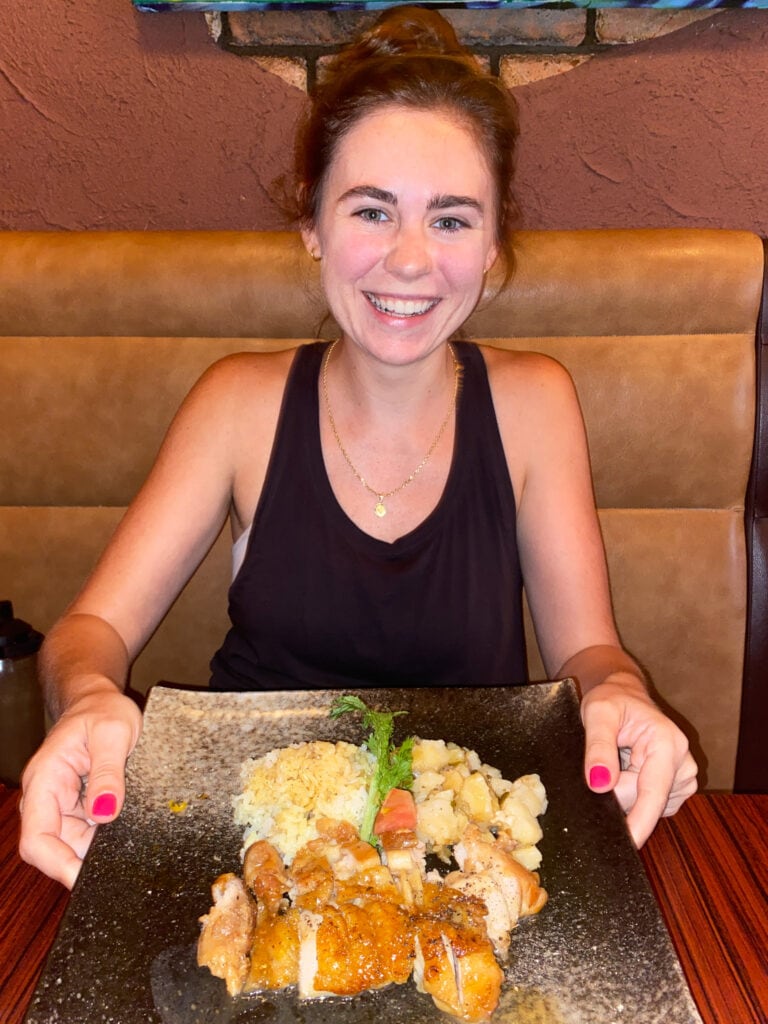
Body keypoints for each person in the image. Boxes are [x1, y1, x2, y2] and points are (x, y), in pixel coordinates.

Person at [19, 6, 697, 890]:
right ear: (313, 227)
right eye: (372, 210)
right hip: (253, 843)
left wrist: (622, 695)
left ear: (493, 245)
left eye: (452, 220)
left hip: (460, 857)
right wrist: (88, 697)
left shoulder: (536, 401)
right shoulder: (238, 401)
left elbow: (588, 656)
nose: (410, 261)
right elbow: (88, 631)